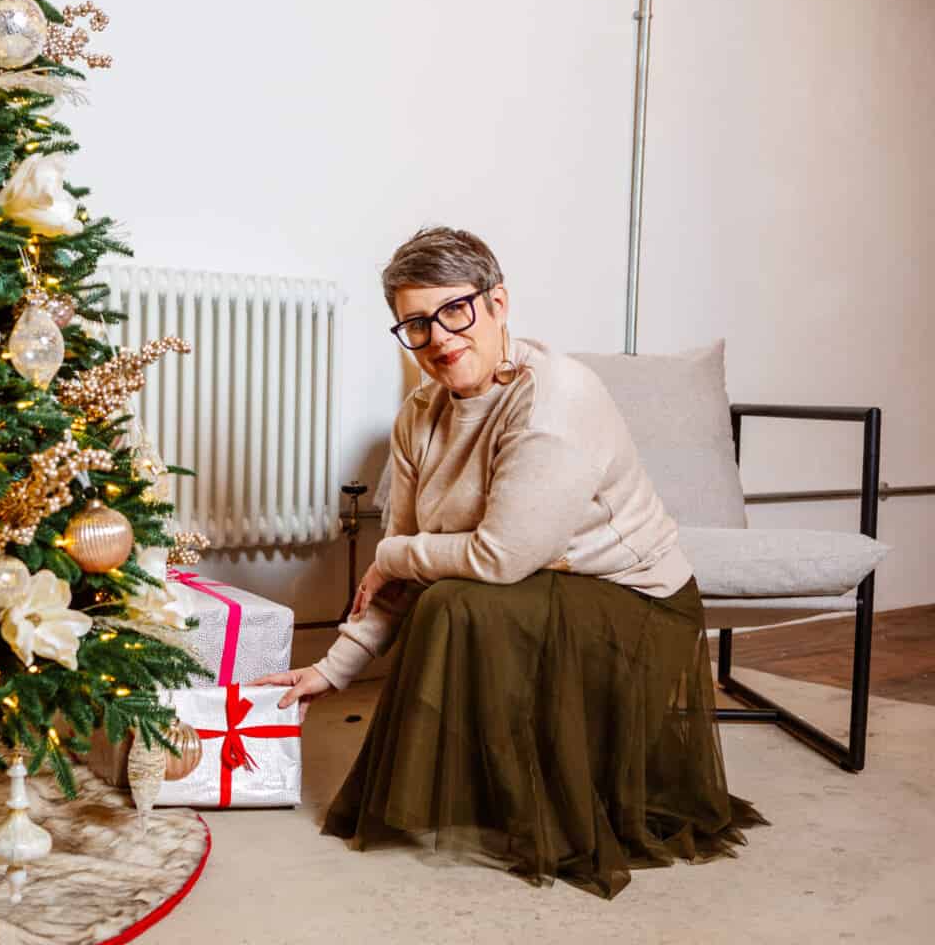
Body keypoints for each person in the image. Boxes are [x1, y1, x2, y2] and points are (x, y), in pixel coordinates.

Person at [252, 227, 765, 898]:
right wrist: (333, 667)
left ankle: (533, 796)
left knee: (457, 601)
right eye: (415, 323)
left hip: (632, 604)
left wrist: (393, 552)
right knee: (449, 597)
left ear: (498, 303)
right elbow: (414, 567)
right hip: (533, 590)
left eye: (454, 311)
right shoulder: (419, 415)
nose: (438, 337)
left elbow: (497, 558)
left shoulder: (556, 398)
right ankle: (489, 788)